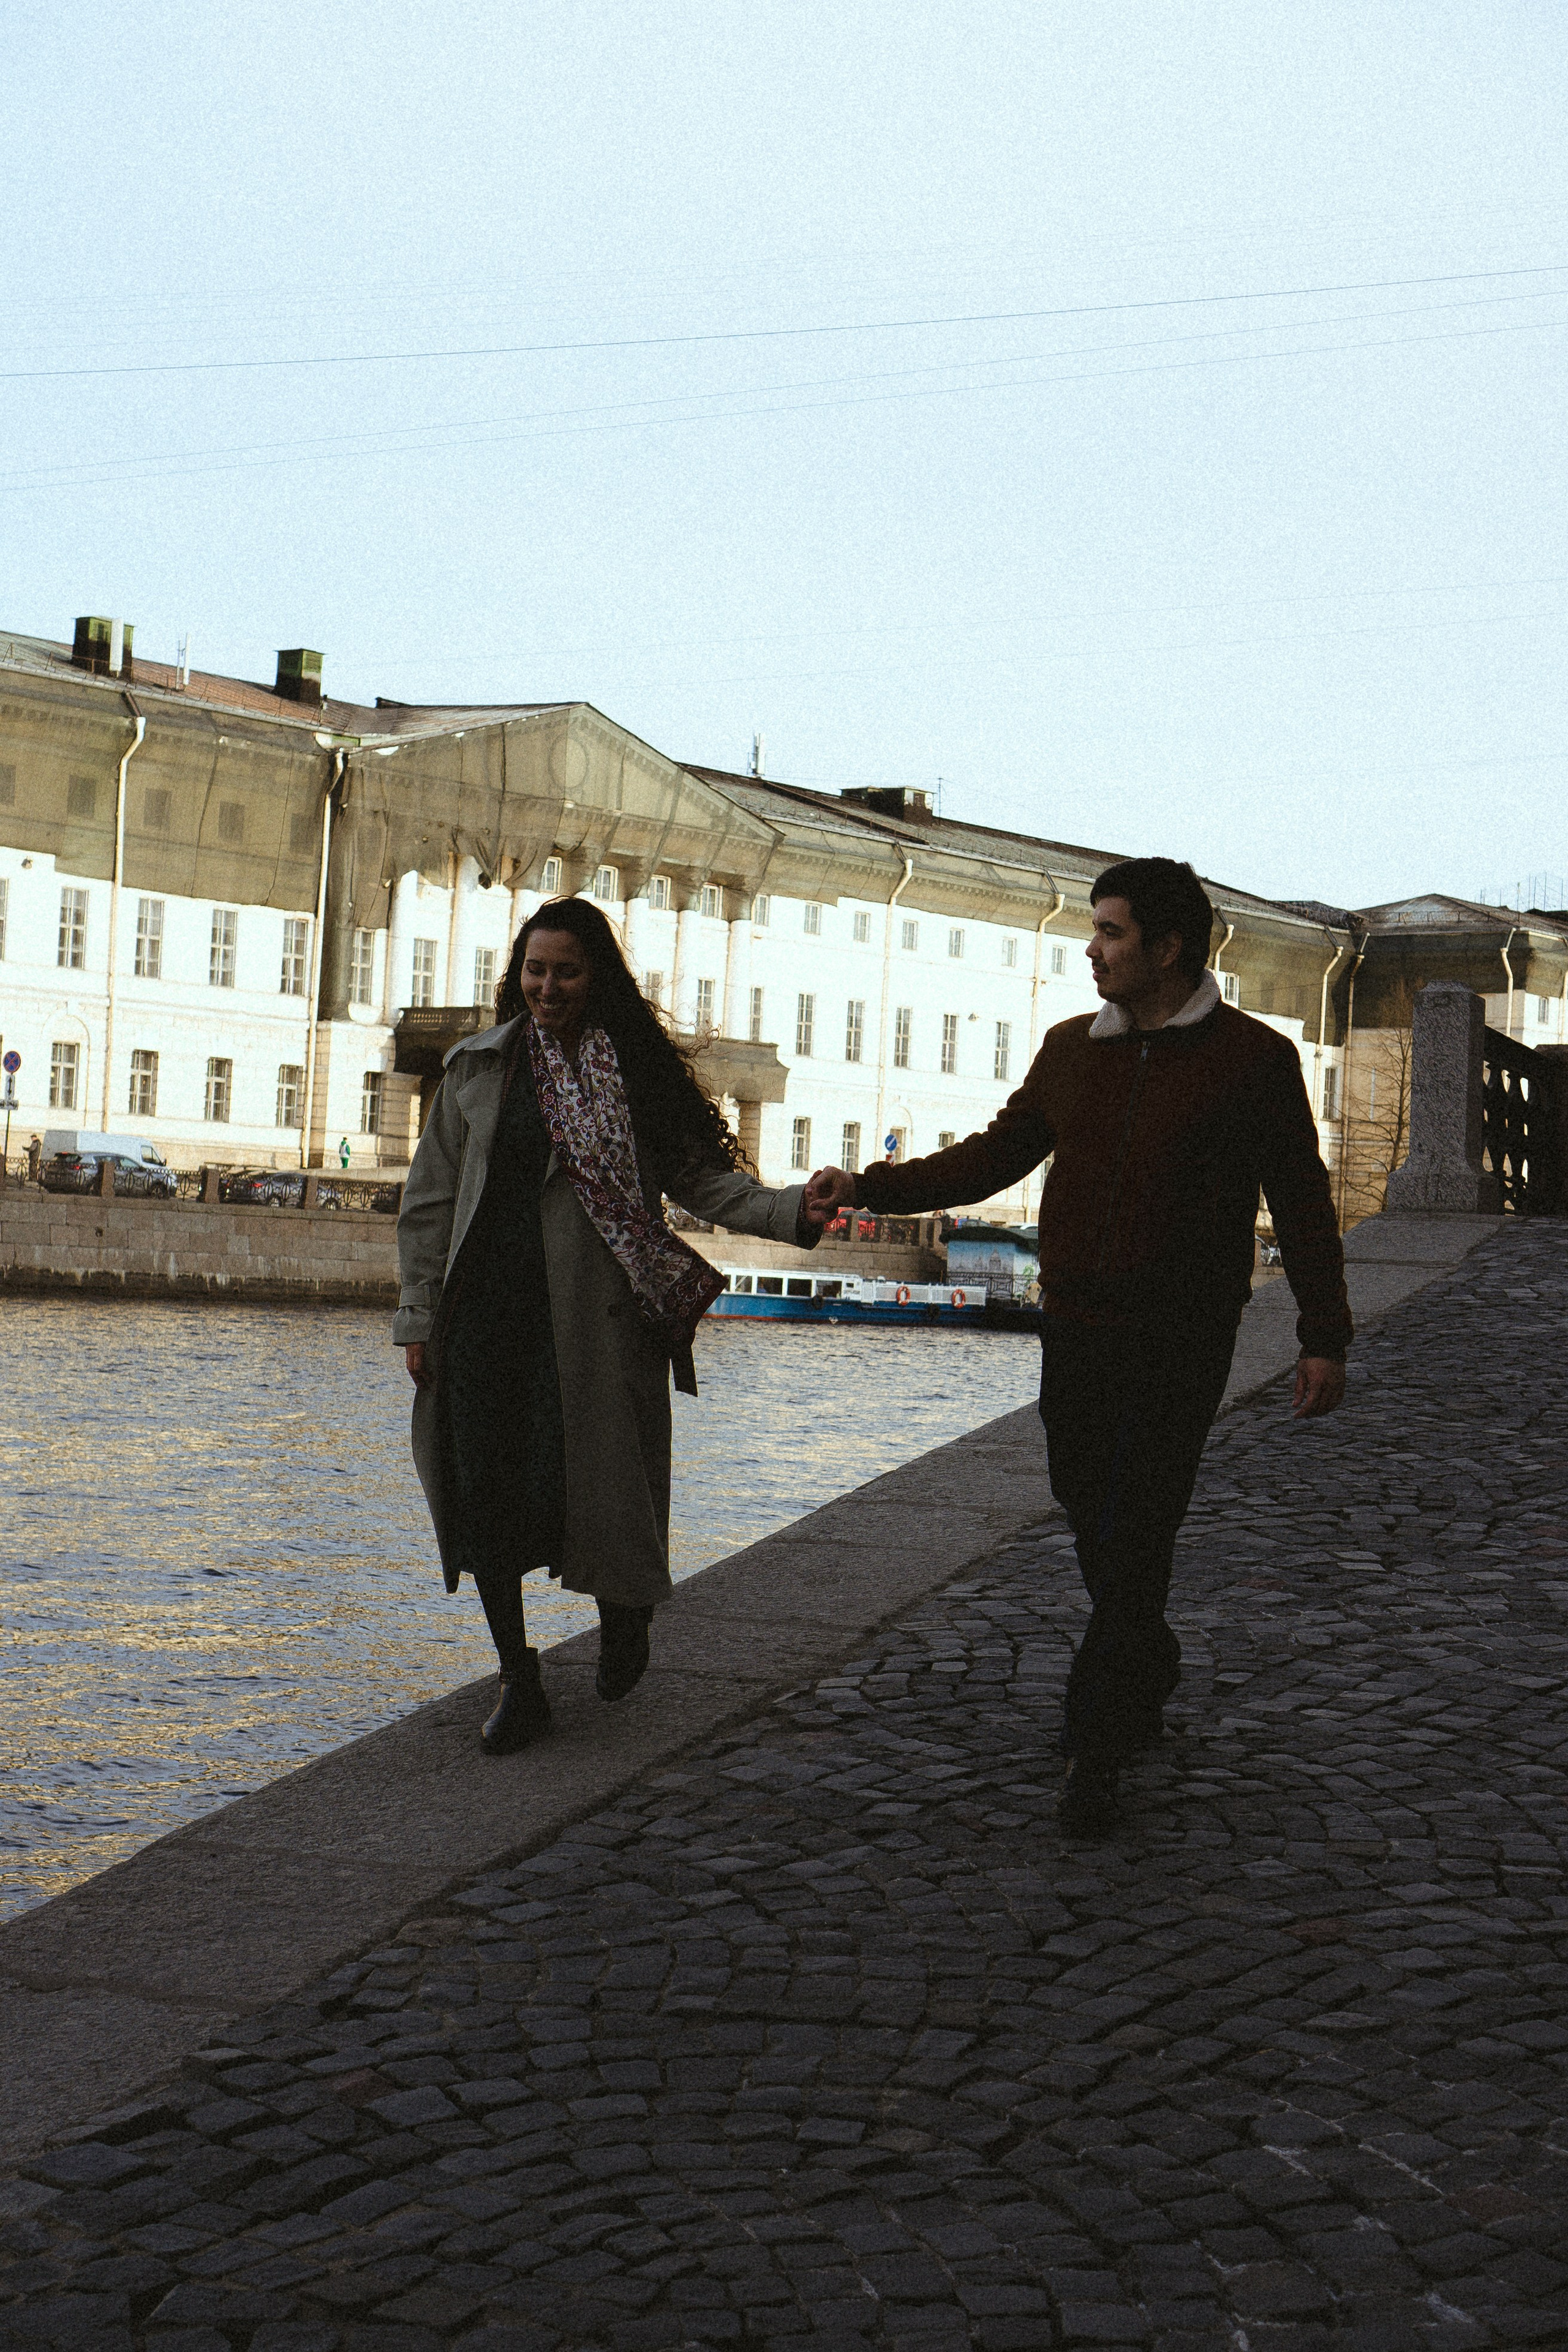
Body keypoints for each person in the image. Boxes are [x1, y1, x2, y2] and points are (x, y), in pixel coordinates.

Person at [805, 857, 1351, 1834]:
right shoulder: (1070, 1051)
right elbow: (991, 1158)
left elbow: (1301, 1202)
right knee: (1089, 1509)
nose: (1092, 950)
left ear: (1168, 947)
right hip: (1077, 1329)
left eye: (1110, 933)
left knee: (1138, 1524)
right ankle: (1149, 1656)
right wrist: (872, 1188)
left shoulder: (1255, 1061)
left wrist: (1324, 1336)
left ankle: (1095, 1746)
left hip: (1181, 1337)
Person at [395, 896, 824, 1755]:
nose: (548, 987)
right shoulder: (479, 1068)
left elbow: (707, 1184)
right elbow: (430, 1199)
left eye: (566, 971)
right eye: (535, 969)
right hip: (484, 1316)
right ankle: (520, 1681)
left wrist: (793, 1211)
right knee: (488, 1497)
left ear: (597, 980)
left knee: (602, 1485)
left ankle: (625, 1613)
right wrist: (417, 1312)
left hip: (592, 1320)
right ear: (517, 975)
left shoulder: (631, 1073)